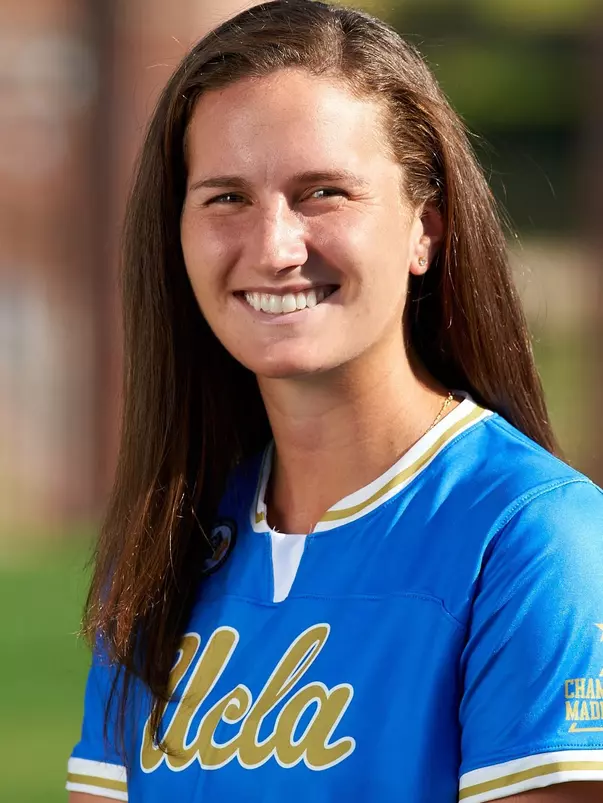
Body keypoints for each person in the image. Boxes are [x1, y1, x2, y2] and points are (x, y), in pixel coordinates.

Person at [66, 1, 603, 801]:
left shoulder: (531, 539)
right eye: (225, 198)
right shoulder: (160, 548)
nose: (275, 247)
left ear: (426, 228)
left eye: (321, 192)